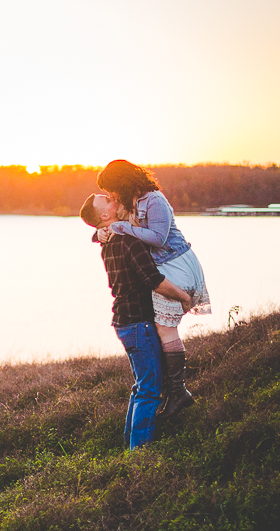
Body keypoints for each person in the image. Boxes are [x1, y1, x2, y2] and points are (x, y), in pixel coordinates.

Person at [96, 160, 211, 417]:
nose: (111, 196)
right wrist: (102, 233)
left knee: (164, 327)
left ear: (121, 182)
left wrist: (120, 227)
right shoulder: (131, 202)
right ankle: (175, 392)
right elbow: (108, 221)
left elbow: (158, 238)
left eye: (111, 190)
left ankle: (178, 393)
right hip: (163, 265)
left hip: (176, 262)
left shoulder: (154, 199)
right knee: (161, 327)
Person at [80, 192, 194, 449]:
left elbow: (99, 232)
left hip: (125, 322)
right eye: (107, 200)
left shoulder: (109, 239)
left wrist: (98, 232)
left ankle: (130, 447)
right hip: (137, 323)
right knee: (149, 390)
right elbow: (153, 279)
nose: (114, 199)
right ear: (106, 215)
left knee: (142, 386)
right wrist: (184, 297)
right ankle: (139, 453)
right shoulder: (126, 240)